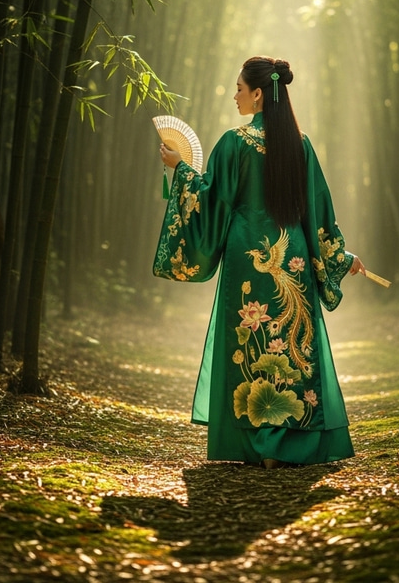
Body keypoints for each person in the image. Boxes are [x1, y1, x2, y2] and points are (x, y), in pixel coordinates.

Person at [153, 56, 365, 468]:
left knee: (249, 346)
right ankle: (291, 443)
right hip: (295, 262)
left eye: (238, 89)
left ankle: (255, 444)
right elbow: (319, 213)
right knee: (292, 343)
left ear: (257, 94)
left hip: (247, 261)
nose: (234, 96)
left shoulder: (234, 143)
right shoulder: (300, 145)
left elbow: (210, 202)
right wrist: (343, 257)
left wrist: (179, 169)